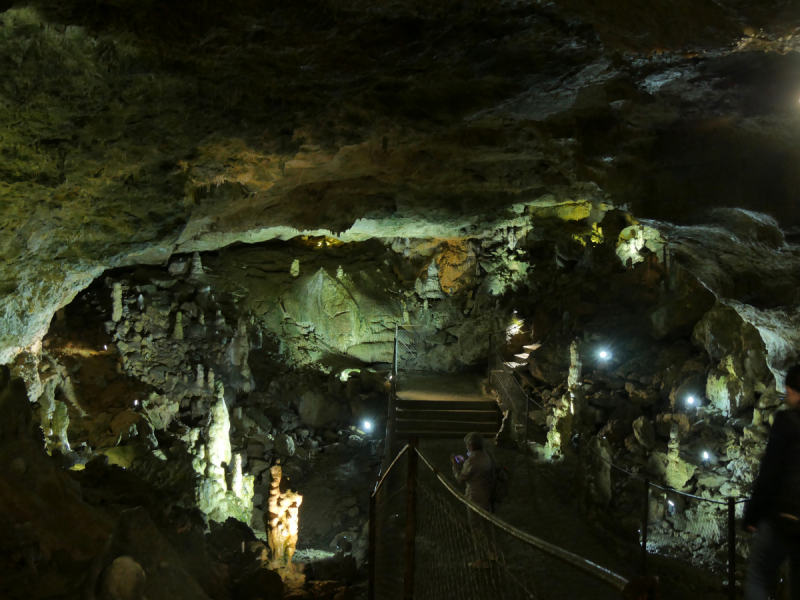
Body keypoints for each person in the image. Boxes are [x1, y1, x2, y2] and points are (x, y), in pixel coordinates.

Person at [744, 364, 800, 600]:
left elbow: (771, 471)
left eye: (788, 391)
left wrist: (752, 515)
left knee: (758, 579)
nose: (786, 395)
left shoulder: (788, 421)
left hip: (781, 517)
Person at [452, 431, 497, 569]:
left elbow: (461, 478)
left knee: (476, 528)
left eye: (467, 446)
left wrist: (455, 465)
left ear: (471, 446)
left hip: (474, 499)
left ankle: (481, 559)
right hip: (487, 497)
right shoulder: (486, 457)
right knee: (488, 527)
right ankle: (492, 554)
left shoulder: (471, 462)